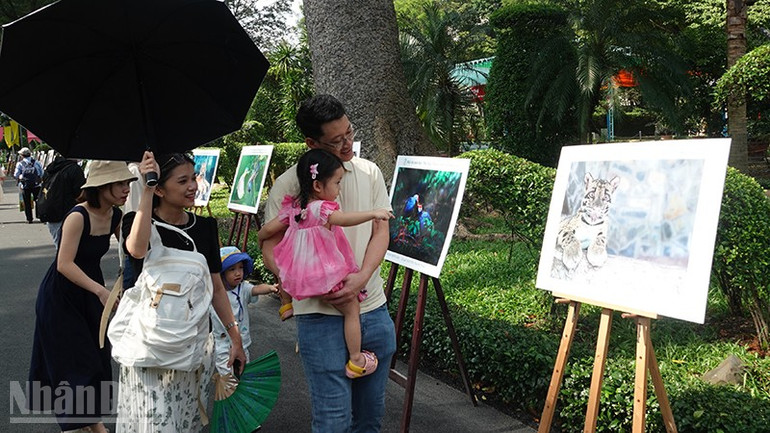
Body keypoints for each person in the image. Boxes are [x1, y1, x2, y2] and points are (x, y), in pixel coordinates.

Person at [261, 94, 396, 432]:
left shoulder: (368, 172)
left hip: (372, 308)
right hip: (319, 318)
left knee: (370, 418)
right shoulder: (289, 186)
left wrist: (361, 278)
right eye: (337, 140)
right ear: (311, 142)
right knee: (332, 420)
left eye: (349, 132)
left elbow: (381, 232)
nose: (348, 144)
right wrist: (314, 283)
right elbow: (270, 248)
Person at [117, 151, 247, 432]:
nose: (192, 186)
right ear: (160, 189)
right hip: (150, 344)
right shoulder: (138, 222)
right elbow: (136, 250)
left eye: (193, 178)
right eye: (182, 181)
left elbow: (216, 287)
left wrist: (235, 337)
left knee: (184, 420)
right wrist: (146, 189)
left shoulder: (206, 227)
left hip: (193, 342)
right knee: (155, 423)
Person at [259, 149, 392, 379]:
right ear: (318, 186)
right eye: (337, 183)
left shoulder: (295, 209)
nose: (340, 189)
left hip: (304, 275)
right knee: (352, 309)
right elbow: (345, 220)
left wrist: (260, 238)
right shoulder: (321, 208)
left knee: (287, 273)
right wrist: (373, 214)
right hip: (325, 274)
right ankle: (356, 359)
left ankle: (286, 303)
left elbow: (267, 230)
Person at [27, 160, 136, 433]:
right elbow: (64, 264)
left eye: (128, 183)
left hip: (91, 294)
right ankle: (81, 425)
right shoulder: (77, 216)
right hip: (61, 296)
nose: (126, 188)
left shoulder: (116, 215)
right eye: (120, 183)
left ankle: (90, 422)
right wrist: (101, 290)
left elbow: (132, 250)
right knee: (72, 362)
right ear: (102, 186)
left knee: (96, 358)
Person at [212, 246, 278, 375]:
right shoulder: (214, 294)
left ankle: (239, 386)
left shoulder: (243, 288)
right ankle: (228, 387)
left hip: (242, 342)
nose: (238, 273)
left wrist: (271, 288)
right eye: (232, 269)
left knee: (243, 371)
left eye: (240, 268)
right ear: (221, 273)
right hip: (222, 344)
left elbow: (257, 289)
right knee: (228, 376)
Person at [36, 153, 86, 245]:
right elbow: (80, 193)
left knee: (59, 244)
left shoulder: (51, 167)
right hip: (69, 212)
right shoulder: (74, 169)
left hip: (51, 210)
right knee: (71, 246)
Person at [13, 147, 43, 223]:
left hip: (25, 185)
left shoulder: (20, 164)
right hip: (36, 185)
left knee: (27, 202)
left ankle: (29, 219)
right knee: (38, 200)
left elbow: (16, 175)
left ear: (22, 155)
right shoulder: (36, 162)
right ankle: (40, 216)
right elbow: (41, 173)